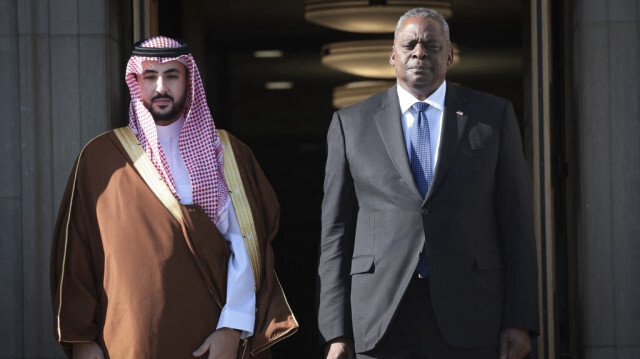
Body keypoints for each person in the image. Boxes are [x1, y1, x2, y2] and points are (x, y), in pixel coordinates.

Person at [50, 36, 297, 359]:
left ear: (189, 80)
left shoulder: (227, 153)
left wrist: (232, 328)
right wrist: (82, 339)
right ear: (136, 82)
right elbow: (77, 255)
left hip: (208, 338)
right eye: (150, 76)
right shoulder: (99, 158)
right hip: (126, 338)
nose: (161, 87)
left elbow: (246, 245)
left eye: (172, 75)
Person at [317, 8, 538, 359]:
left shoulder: (492, 117)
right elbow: (336, 232)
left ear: (449, 56)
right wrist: (335, 329)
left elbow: (517, 224)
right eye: (410, 45)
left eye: (432, 45)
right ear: (393, 56)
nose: (419, 52)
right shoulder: (350, 124)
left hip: (472, 312)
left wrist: (520, 319)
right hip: (379, 317)